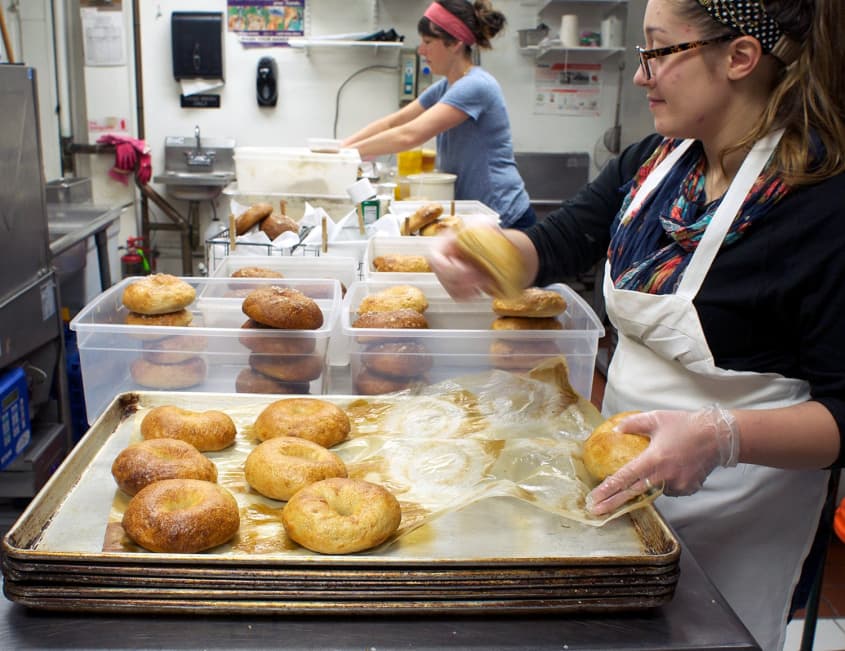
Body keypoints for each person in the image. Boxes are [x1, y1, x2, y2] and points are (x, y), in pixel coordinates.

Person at [428, 1, 845, 648]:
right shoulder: (656, 163)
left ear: (738, 57)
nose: (641, 75)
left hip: (737, 505)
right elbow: (558, 242)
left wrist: (718, 436)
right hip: (616, 490)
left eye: (657, 51)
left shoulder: (820, 204)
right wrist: (478, 251)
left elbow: (842, 414)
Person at [341, 0, 535, 229]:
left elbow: (409, 135)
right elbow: (393, 122)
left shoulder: (476, 85)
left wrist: (347, 154)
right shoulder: (447, 86)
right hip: (478, 216)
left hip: (505, 216)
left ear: (454, 44)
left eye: (428, 42)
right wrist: (341, 150)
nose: (421, 50)